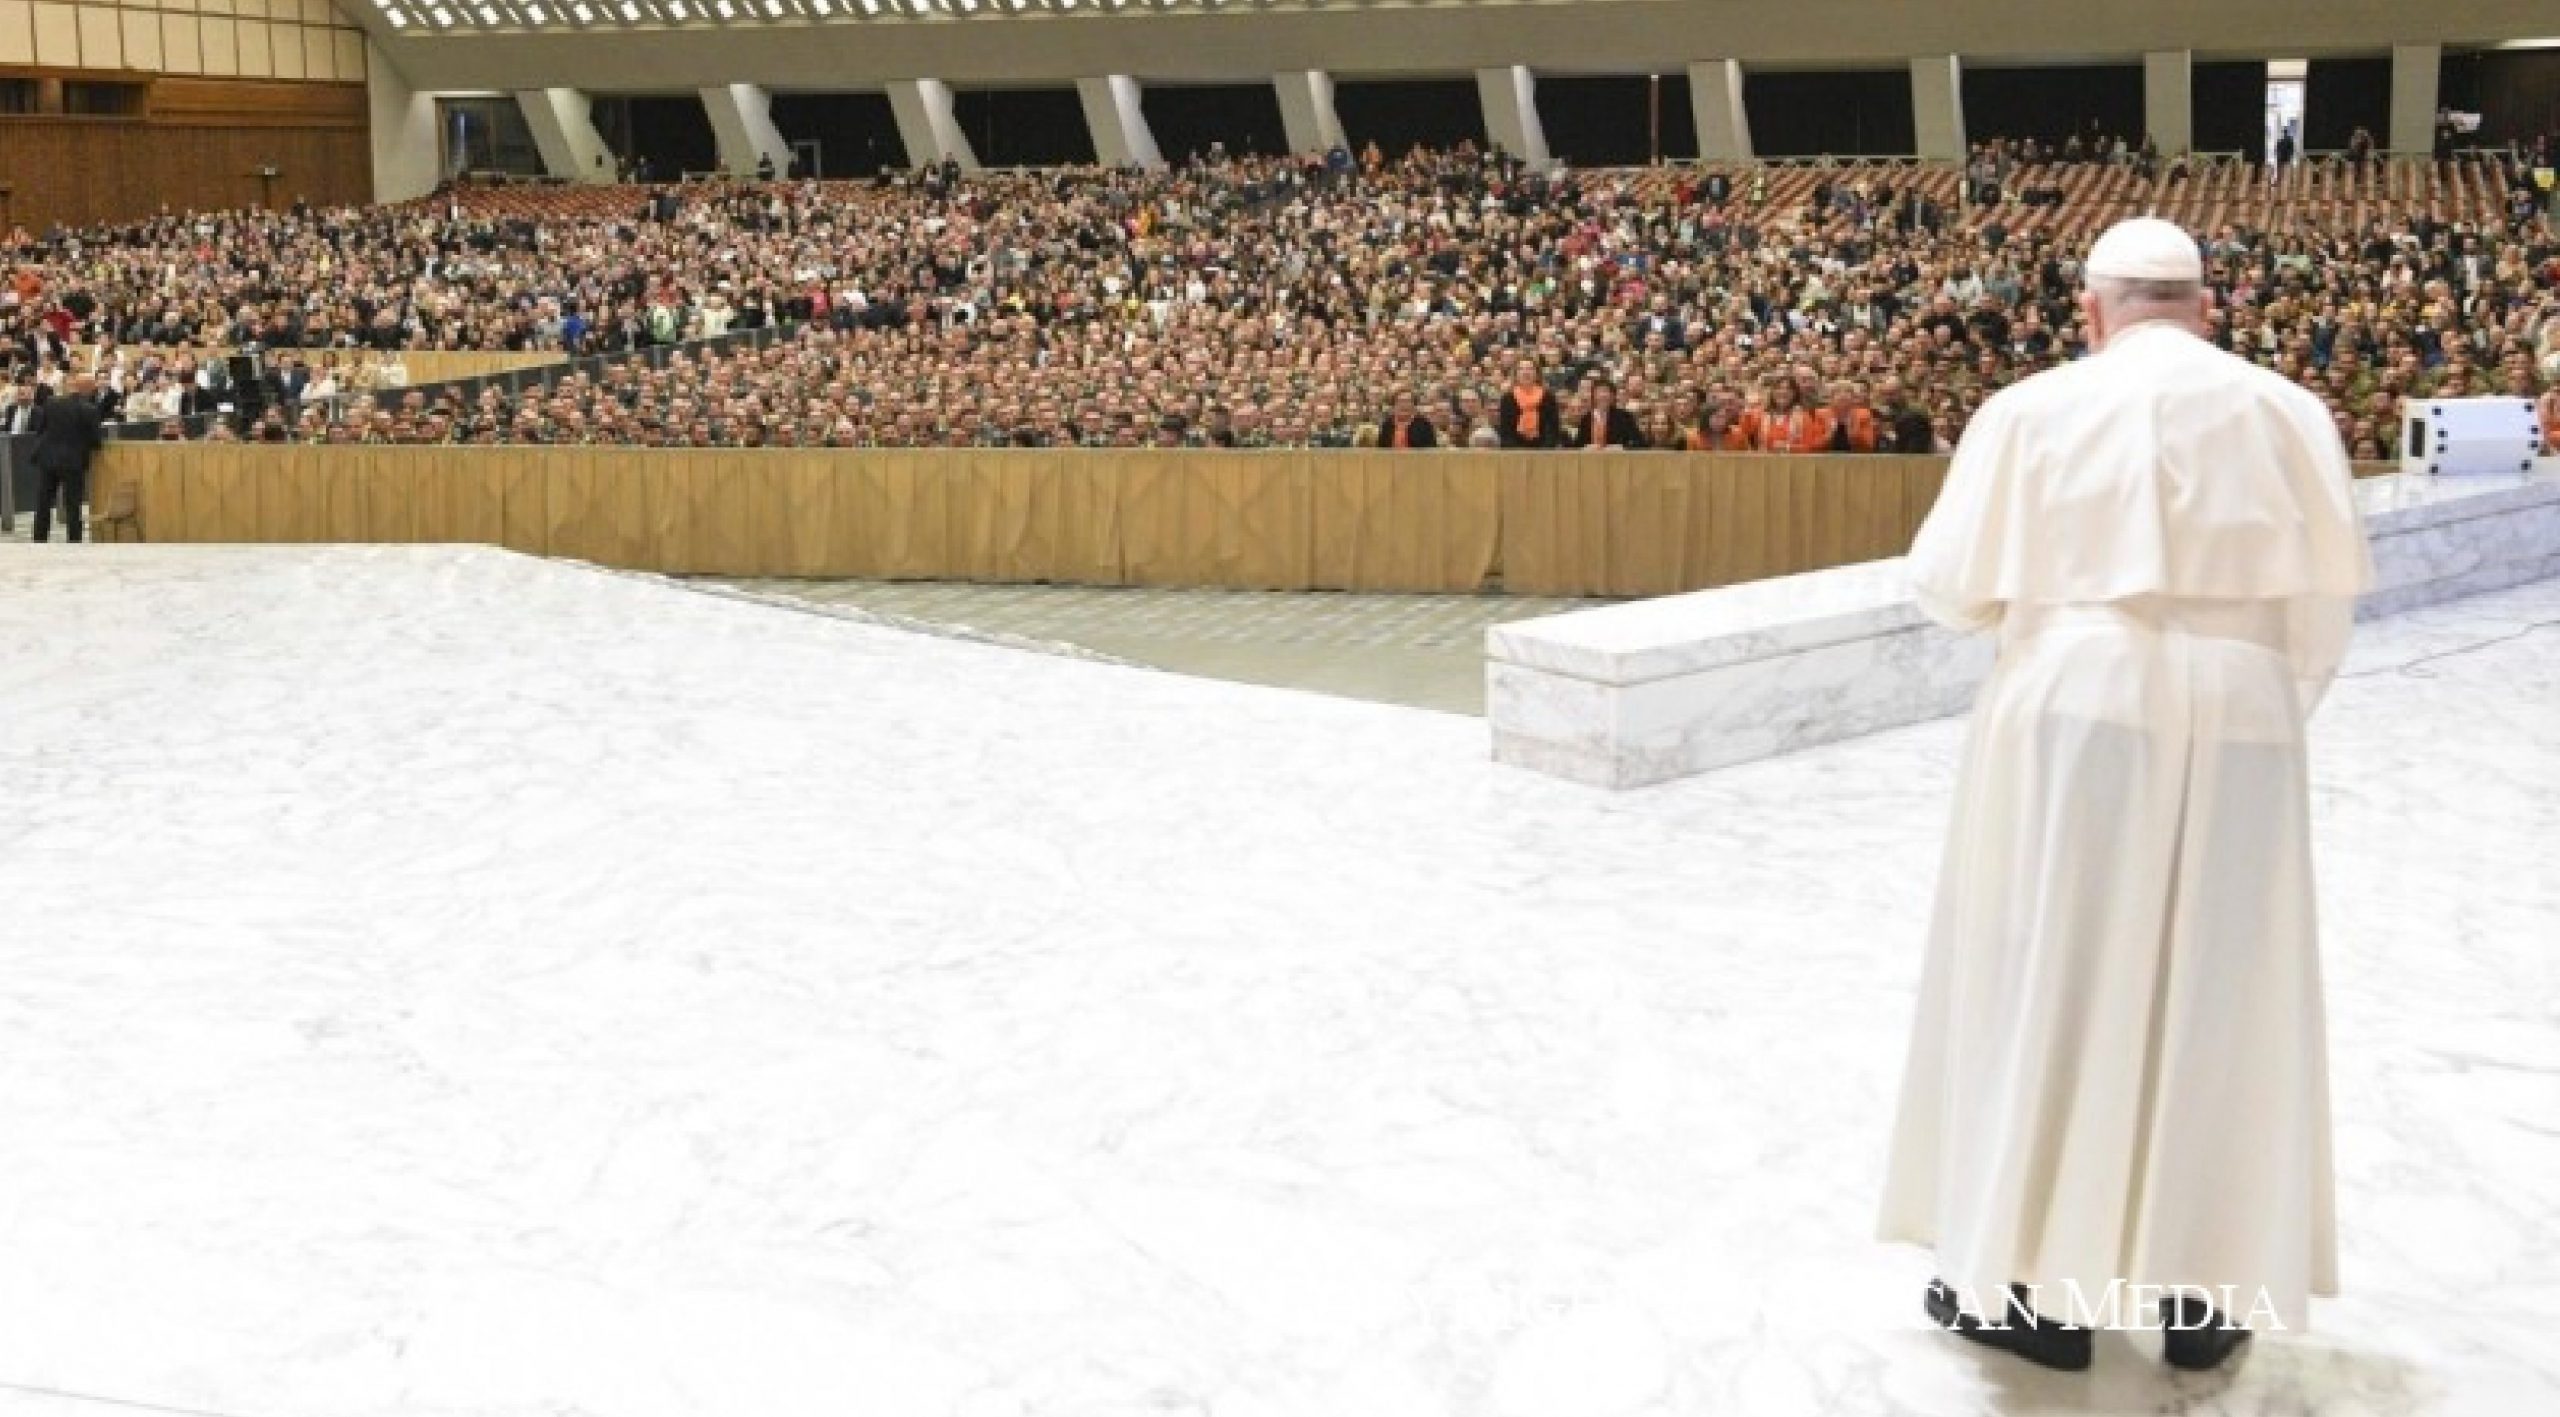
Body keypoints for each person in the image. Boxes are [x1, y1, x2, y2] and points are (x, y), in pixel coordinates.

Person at [1880, 218, 2372, 1372]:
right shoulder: (2288, 410)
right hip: (2246, 704)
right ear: (2205, 307)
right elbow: (2322, 613)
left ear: (2091, 311)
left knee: (2048, 974)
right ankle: (2206, 1296)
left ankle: (2032, 1296)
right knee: (2224, 986)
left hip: (2074, 707)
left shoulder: (2030, 409)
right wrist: (2252, 702)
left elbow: (1947, 588)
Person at [27, 373, 107, 543]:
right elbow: (96, 441)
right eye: (93, 386)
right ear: (87, 388)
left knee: (43, 503)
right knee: (73, 505)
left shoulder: (50, 403)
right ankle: (74, 542)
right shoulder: (89, 410)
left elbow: (41, 430)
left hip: (48, 459)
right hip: (73, 462)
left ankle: (39, 540)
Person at [1498, 359, 1562, 448]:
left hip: (1544, 449)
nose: (1525, 372)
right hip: (1514, 450)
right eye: (1521, 369)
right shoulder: (1507, 398)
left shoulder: (1548, 397)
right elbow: (1505, 431)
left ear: (1537, 374)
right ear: (1516, 374)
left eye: (1530, 369)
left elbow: (1553, 429)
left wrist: (1544, 451)